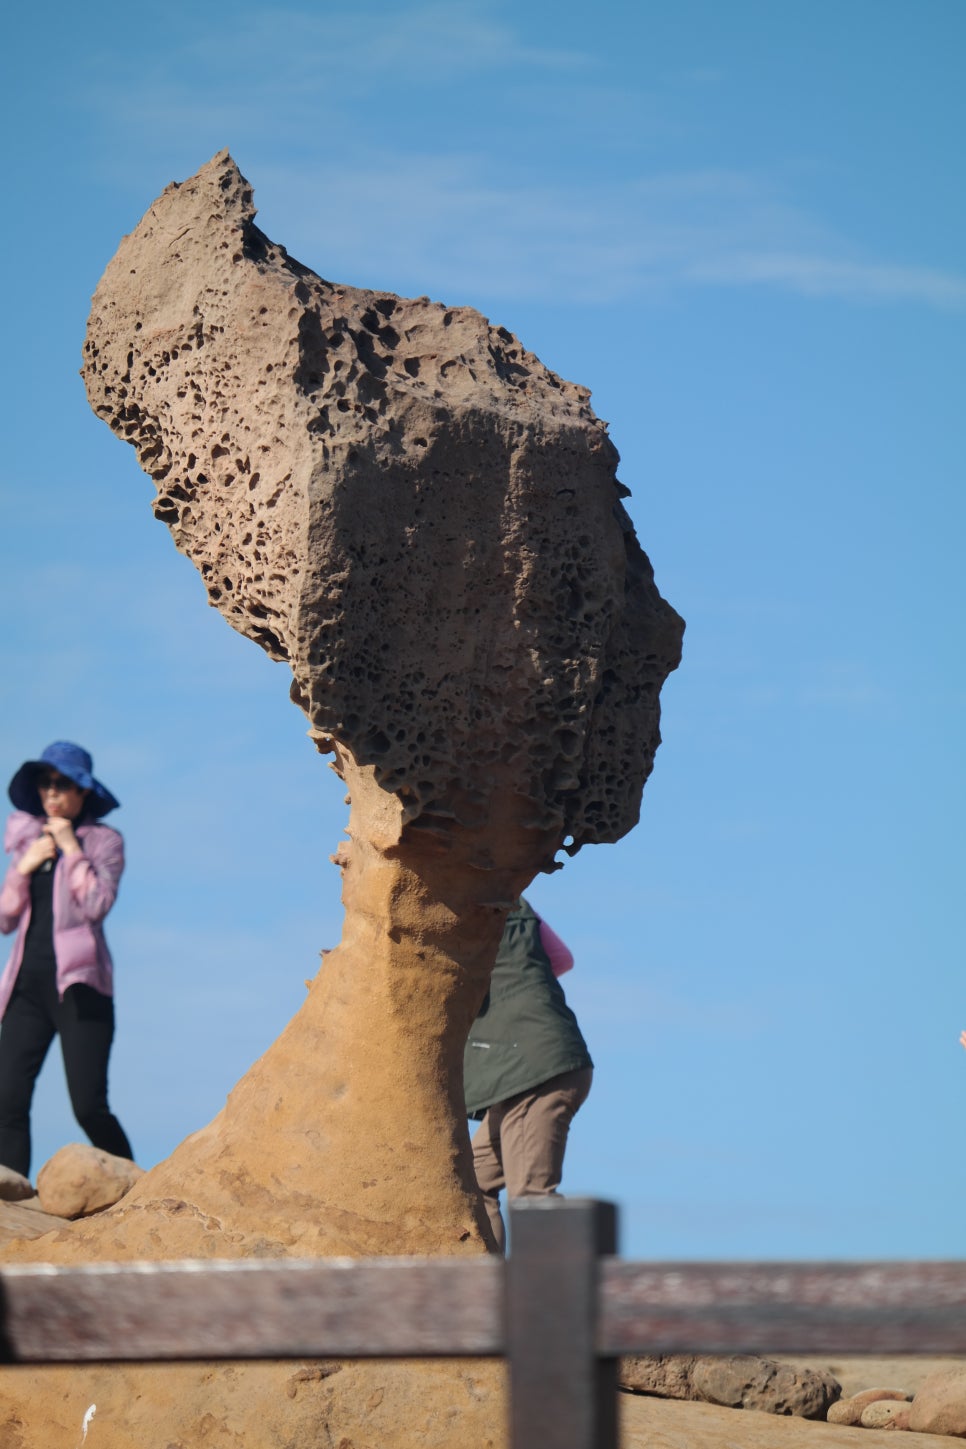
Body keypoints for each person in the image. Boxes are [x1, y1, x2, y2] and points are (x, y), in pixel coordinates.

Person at [0, 742, 132, 1178]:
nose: (51, 792)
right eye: (45, 783)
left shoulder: (104, 841)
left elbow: (96, 904)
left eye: (62, 783)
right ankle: (10, 1197)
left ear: (83, 791)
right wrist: (23, 868)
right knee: (6, 1099)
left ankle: (139, 1191)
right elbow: (4, 918)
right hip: (25, 988)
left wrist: (71, 849)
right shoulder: (27, 840)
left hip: (81, 988)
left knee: (88, 1107)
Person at [464, 897, 592, 1253]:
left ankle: (552, 1287)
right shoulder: (514, 900)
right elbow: (562, 959)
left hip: (533, 1071)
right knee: (473, 1186)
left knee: (532, 1199)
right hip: (534, 1063)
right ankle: (488, 1281)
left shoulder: (453, 899)